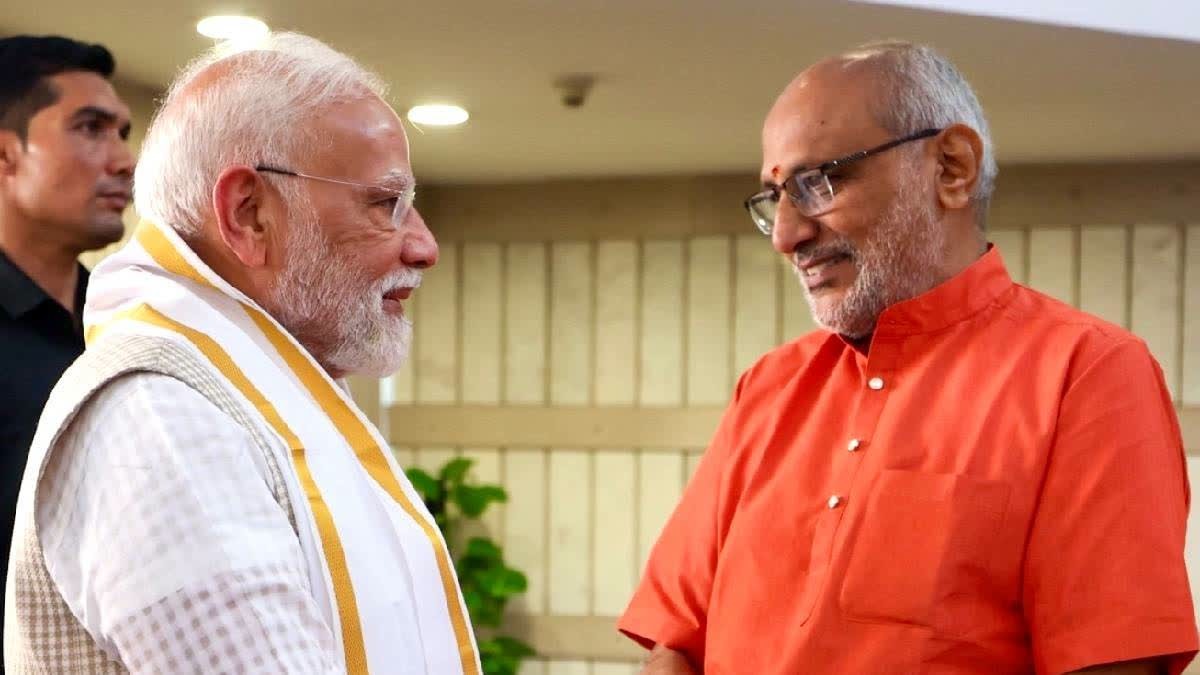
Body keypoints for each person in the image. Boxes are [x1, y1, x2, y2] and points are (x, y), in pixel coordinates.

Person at [619, 41, 1196, 675]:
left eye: (818, 183)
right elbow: (675, 644)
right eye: (775, 197)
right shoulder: (769, 386)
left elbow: (1110, 663)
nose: (786, 235)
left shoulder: (1084, 372)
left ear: (952, 168)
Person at [5, 33, 481, 674]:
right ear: (248, 213)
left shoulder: (254, 391)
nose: (424, 247)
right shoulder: (162, 413)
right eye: (385, 204)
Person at [0, 34, 133, 667]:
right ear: (7, 155)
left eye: (123, 133)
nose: (125, 160)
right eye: (90, 128)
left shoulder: (130, 331)